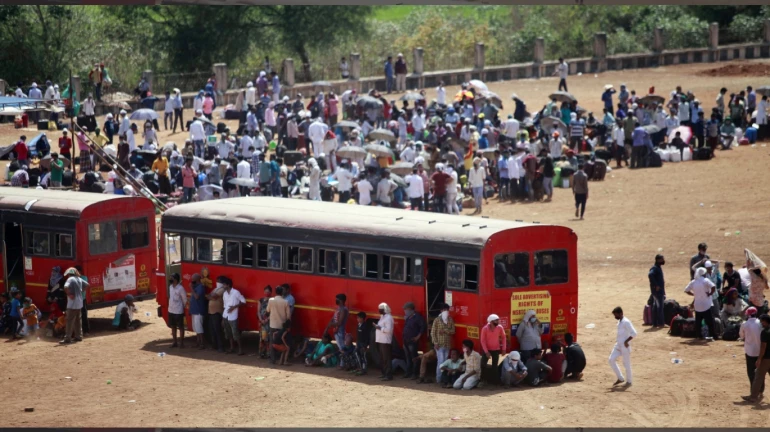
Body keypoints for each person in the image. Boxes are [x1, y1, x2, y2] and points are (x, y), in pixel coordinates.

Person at [743, 314, 770, 403]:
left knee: (758, 377)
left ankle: (753, 396)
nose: (761, 323)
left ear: (765, 321)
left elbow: (763, 347)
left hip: (766, 358)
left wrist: (759, 359)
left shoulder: (765, 332)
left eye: (762, 321)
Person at [685, 267, 717, 340]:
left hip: (697, 305)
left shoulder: (693, 282)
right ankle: (713, 335)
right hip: (706, 305)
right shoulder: (705, 280)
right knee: (710, 322)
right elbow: (713, 286)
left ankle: (698, 335)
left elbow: (686, 290)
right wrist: (710, 293)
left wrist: (693, 294)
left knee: (698, 322)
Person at [609, 306, 637, 386]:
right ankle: (620, 378)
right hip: (618, 345)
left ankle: (629, 381)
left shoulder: (626, 322)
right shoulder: (620, 321)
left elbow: (634, 333)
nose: (615, 317)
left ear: (621, 313)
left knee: (626, 364)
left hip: (624, 346)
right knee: (611, 359)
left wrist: (626, 341)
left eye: (616, 315)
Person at [60, 268, 88, 344]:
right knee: (78, 320)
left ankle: (67, 338)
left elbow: (65, 287)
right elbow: (87, 285)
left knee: (69, 321)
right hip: (80, 303)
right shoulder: (79, 278)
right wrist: (81, 291)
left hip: (72, 304)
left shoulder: (70, 279)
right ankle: (79, 336)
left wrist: (69, 294)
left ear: (69, 274)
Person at [430, 303, 455, 384]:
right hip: (439, 345)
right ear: (441, 311)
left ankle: (443, 379)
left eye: (447, 310)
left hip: (447, 344)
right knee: (441, 361)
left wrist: (444, 331)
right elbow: (433, 333)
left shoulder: (450, 320)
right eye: (444, 310)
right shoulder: (437, 320)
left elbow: (453, 331)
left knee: (445, 362)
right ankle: (439, 379)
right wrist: (435, 343)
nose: (446, 311)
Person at [220, 276, 245, 355]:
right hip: (226, 315)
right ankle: (232, 348)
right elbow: (224, 306)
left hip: (233, 316)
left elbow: (243, 301)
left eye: (224, 284)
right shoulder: (224, 294)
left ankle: (240, 349)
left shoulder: (236, 292)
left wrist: (234, 307)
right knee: (228, 333)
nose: (223, 286)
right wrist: (222, 318)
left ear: (228, 285)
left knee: (235, 333)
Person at [402, 301, 426, 379]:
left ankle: (414, 374)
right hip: (406, 340)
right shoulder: (408, 317)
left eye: (406, 309)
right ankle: (408, 372)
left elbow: (423, 327)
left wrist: (418, 337)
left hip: (412, 341)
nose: (405, 311)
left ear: (410, 309)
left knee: (414, 357)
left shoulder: (417, 317)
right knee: (408, 357)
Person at [740, 307, 763, 392]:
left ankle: (753, 390)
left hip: (749, 351)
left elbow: (741, 336)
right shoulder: (760, 323)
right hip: (760, 351)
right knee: (760, 372)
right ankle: (761, 389)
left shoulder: (744, 324)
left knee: (751, 372)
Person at [479, 313, 506, 384]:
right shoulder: (484, 329)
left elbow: (503, 337)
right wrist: (486, 352)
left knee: (495, 366)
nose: (498, 322)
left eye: (498, 320)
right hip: (487, 349)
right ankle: (482, 380)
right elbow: (482, 341)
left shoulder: (500, 327)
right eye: (496, 321)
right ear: (491, 322)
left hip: (496, 349)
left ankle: (495, 381)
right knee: (483, 365)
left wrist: (503, 348)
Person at [374, 302, 394, 381]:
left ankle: (388, 375)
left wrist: (379, 328)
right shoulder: (382, 317)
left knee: (386, 358)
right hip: (380, 340)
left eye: (381, 309)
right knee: (382, 358)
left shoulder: (389, 318)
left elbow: (388, 330)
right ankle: (384, 373)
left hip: (385, 341)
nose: (379, 311)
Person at [167, 273, 187, 348]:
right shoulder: (170, 287)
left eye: (171, 278)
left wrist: (182, 307)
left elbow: (184, 299)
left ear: (175, 279)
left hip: (178, 311)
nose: (170, 279)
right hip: (171, 310)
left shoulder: (181, 288)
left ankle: (181, 343)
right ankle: (174, 342)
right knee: (173, 326)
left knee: (181, 327)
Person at [188, 273, 206, 349]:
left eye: (193, 280)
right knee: (195, 328)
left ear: (197, 280)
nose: (192, 281)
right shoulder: (196, 287)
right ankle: (198, 342)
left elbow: (197, 297)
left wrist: (191, 289)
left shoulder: (201, 287)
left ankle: (202, 343)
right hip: (194, 310)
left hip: (199, 311)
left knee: (199, 328)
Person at [648, 254, 666, 327]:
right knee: (660, 307)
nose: (663, 260)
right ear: (658, 260)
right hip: (657, 291)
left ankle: (655, 323)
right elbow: (650, 275)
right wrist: (656, 285)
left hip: (656, 291)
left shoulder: (658, 267)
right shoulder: (655, 268)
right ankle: (661, 323)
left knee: (655, 307)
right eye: (662, 259)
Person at [354, 311, 372, 376]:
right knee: (357, 354)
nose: (357, 319)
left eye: (358, 318)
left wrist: (365, 345)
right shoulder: (358, 325)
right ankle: (359, 367)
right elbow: (358, 335)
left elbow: (367, 337)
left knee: (363, 356)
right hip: (359, 343)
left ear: (362, 318)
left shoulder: (365, 326)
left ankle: (364, 369)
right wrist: (356, 343)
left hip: (363, 344)